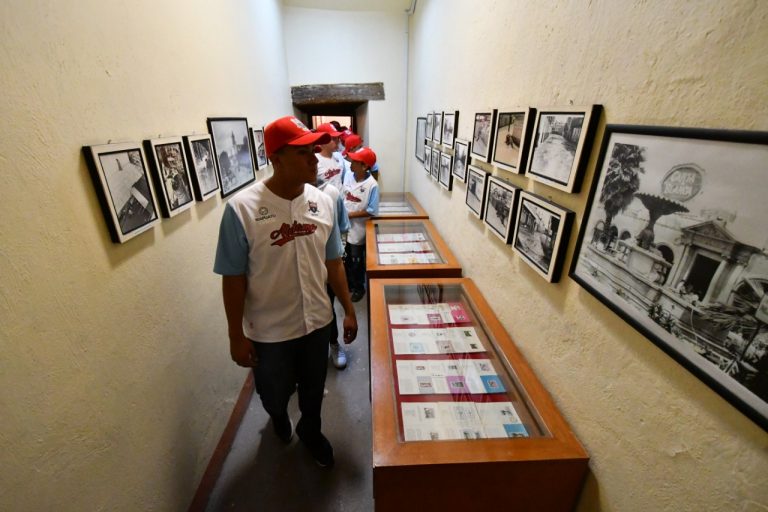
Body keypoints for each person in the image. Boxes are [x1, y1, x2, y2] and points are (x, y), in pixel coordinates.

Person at [213, 115, 358, 468]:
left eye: (314, 150)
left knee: (312, 390)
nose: (314, 159)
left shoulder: (323, 202)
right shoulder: (242, 209)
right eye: (303, 153)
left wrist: (348, 309)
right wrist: (236, 336)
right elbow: (233, 278)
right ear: (276, 159)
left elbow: (334, 262)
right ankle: (278, 417)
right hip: (270, 332)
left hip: (317, 322)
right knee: (274, 394)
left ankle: (311, 430)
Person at [316, 174, 351, 370]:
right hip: (302, 271)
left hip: (329, 264)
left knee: (328, 306)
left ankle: (334, 343)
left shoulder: (330, 193)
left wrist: (340, 255)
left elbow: (343, 227)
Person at [343, 147, 380, 302]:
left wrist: (349, 215)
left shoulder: (372, 185)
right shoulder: (349, 176)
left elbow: (372, 210)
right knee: (348, 258)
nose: (350, 163)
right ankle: (350, 284)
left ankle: (359, 288)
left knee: (357, 260)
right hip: (345, 226)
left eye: (355, 161)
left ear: (364, 166)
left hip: (359, 229)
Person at [314, 123, 346, 190]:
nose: (338, 141)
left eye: (337, 138)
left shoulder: (338, 156)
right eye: (333, 138)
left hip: (340, 199)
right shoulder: (314, 160)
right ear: (321, 140)